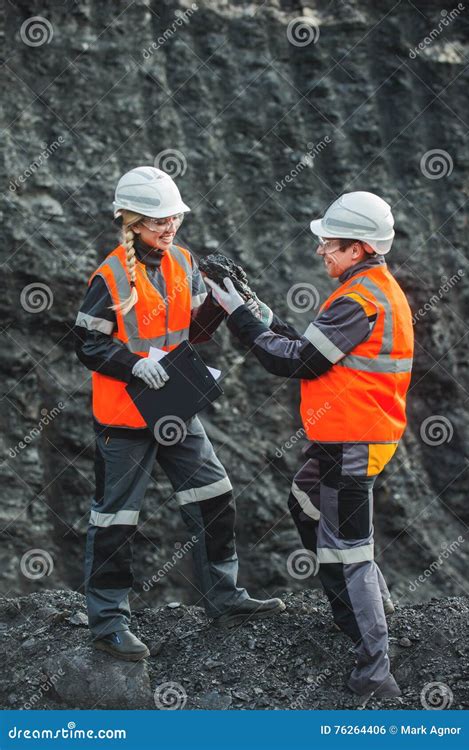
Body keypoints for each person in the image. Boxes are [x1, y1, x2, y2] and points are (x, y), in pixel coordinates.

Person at [205, 191, 414, 699]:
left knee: (349, 546)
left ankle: (375, 668)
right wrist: (256, 312)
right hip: (341, 436)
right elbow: (304, 349)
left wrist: (239, 317)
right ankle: (363, 615)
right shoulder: (362, 289)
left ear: (360, 248)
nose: (321, 250)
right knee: (304, 501)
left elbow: (293, 363)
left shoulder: (359, 299)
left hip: (355, 440)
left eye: (330, 244)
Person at [74, 166, 284, 662]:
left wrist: (228, 304)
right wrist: (133, 363)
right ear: (131, 221)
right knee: (116, 518)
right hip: (124, 418)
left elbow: (193, 330)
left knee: (214, 495)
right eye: (157, 219)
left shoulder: (183, 262)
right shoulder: (110, 275)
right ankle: (108, 622)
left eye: (173, 216)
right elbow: (87, 343)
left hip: (173, 406)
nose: (168, 226)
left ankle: (225, 597)